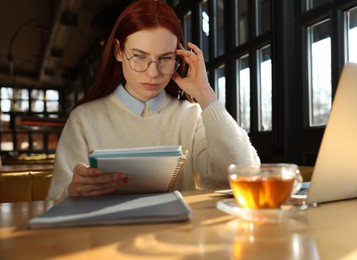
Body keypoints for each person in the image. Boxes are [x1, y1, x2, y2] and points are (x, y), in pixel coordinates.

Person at [47, 0, 260, 203]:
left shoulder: (192, 117)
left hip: (178, 237)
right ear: (118, 51)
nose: (153, 73)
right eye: (139, 56)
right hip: (105, 236)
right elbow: (54, 201)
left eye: (165, 58)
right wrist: (73, 192)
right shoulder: (83, 120)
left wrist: (205, 94)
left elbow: (245, 173)